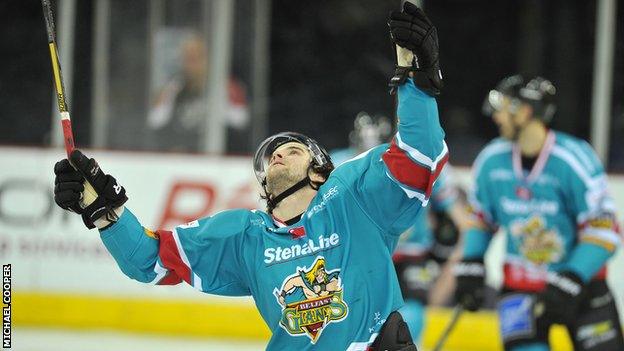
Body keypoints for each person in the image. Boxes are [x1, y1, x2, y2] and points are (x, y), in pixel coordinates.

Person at [52, 3, 445, 350]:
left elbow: (419, 155)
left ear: (320, 169)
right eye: (272, 154)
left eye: (293, 150)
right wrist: (105, 212)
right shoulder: (244, 236)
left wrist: (418, 80)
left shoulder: (354, 196)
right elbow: (147, 261)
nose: (278, 153)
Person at [454, 75, 624, 351]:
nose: (496, 116)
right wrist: (472, 262)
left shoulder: (574, 159)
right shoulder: (491, 160)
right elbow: (481, 217)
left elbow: (604, 229)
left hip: (582, 288)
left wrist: (571, 278)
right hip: (520, 290)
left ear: (525, 111)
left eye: (504, 107)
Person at [392, 166, 469, 342]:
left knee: (410, 317)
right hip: (377, 254)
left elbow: (466, 227)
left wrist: (461, 254)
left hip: (413, 258)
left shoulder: (433, 167)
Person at [147, 33, 249, 152]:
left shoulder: (227, 88)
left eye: (197, 58)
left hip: (219, 158)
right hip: (182, 156)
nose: (192, 64)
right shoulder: (173, 88)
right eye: (188, 58)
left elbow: (241, 124)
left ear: (208, 58)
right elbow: (155, 122)